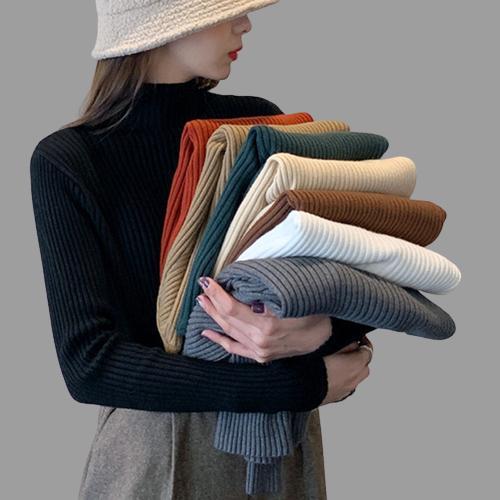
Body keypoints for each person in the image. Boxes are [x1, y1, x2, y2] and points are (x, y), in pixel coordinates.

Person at [29, 1, 374, 498]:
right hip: (156, 452)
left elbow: (352, 280)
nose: (245, 23)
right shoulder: (73, 159)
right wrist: (298, 384)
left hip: (282, 449)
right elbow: (90, 364)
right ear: (162, 20)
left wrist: (322, 332)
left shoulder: (259, 129)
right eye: (225, 7)